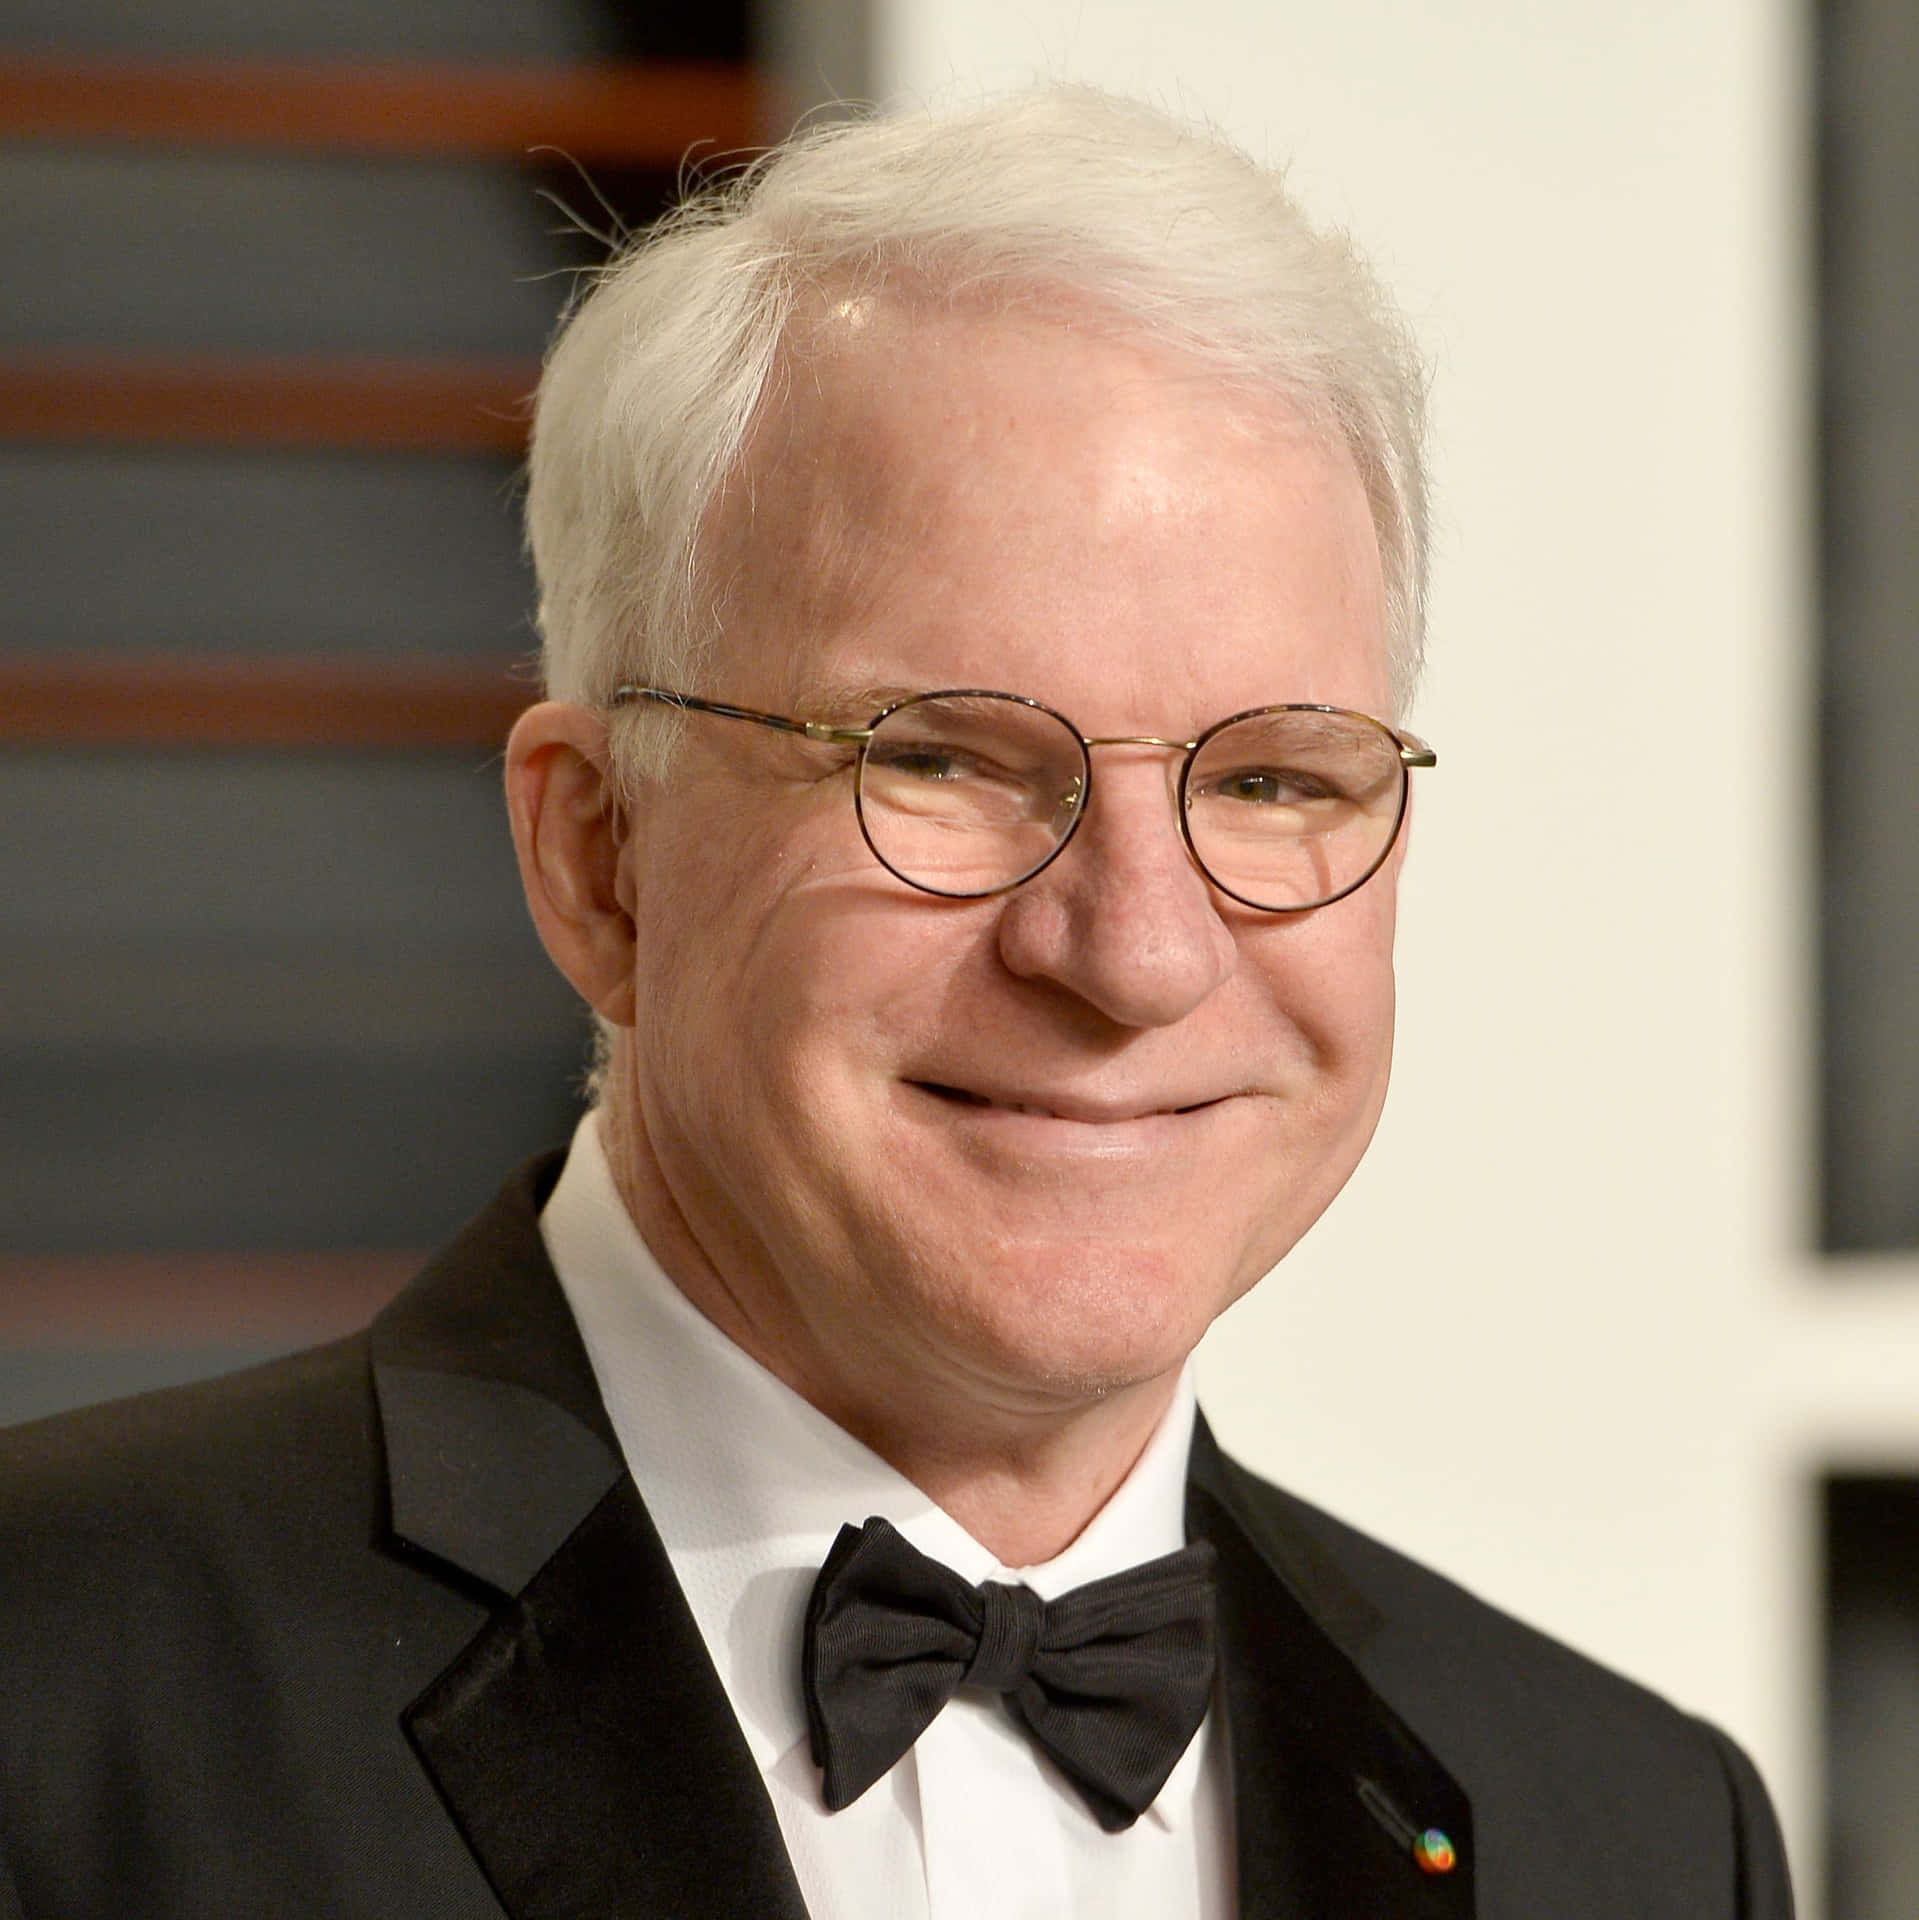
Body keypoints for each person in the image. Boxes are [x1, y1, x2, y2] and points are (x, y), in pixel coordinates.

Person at [0, 87, 1791, 1920]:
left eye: (1273, 780)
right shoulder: (52, 1692)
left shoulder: (1638, 1834)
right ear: (600, 856)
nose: (1138, 954)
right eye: (940, 756)